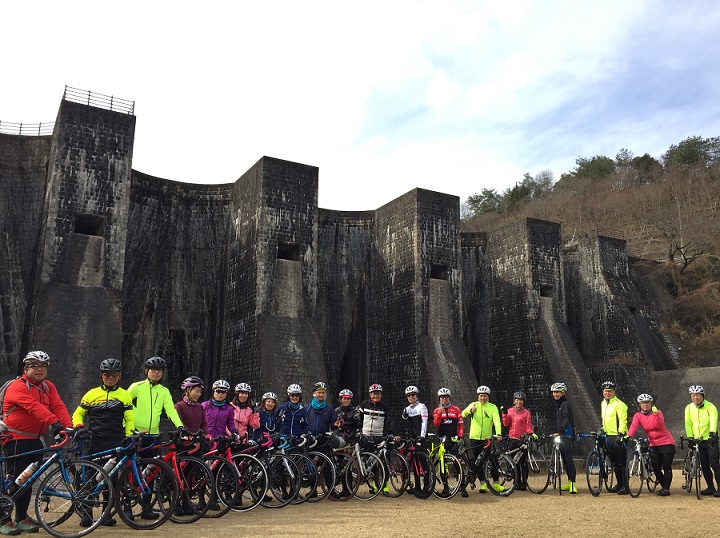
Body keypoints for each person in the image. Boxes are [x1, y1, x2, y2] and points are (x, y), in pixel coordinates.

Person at [1, 351, 72, 535]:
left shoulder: (48, 387)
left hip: (35, 440)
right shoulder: (17, 386)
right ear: (26, 369)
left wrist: (69, 427)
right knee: (15, 480)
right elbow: (33, 406)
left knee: (28, 481)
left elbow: (58, 406)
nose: (39, 369)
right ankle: (4, 519)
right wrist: (54, 423)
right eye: (34, 365)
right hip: (16, 440)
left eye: (43, 366)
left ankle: (21, 517)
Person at [72, 358, 134, 527]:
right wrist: (79, 427)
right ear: (102, 376)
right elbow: (78, 414)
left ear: (119, 376)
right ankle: (86, 515)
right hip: (93, 441)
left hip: (114, 441)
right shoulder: (91, 394)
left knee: (111, 480)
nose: (110, 378)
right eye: (107, 375)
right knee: (89, 479)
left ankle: (106, 515)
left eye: (114, 375)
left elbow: (129, 418)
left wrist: (129, 436)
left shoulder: (124, 395)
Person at [627, 393, 675, 496]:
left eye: (647, 403)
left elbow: (660, 425)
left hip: (666, 442)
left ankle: (666, 489)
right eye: (643, 403)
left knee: (666, 466)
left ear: (651, 404)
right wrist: (628, 436)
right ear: (640, 404)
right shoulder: (638, 415)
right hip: (653, 443)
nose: (645, 404)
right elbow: (634, 425)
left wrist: (656, 414)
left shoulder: (657, 412)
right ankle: (664, 486)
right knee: (656, 467)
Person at [461, 385, 502, 493]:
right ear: (478, 396)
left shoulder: (492, 407)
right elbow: (462, 414)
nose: (483, 398)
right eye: (481, 396)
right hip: (474, 438)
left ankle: (496, 483)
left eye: (485, 396)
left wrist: (498, 433)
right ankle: (483, 483)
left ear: (488, 397)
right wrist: (470, 410)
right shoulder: (474, 405)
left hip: (486, 439)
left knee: (493, 460)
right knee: (476, 462)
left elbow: (496, 421)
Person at [128, 356, 183, 434]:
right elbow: (123, 404)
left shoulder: (164, 391)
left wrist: (179, 426)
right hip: (136, 432)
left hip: (154, 433)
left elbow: (171, 411)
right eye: (153, 369)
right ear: (146, 371)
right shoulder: (136, 387)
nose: (156, 372)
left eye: (159, 370)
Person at [684, 385, 720, 496]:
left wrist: (713, 433)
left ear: (702, 395)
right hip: (698, 440)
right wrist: (690, 437)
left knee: (714, 464)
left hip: (709, 440)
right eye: (693, 395)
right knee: (704, 466)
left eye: (698, 395)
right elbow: (688, 423)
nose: (696, 397)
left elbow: (714, 420)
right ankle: (710, 487)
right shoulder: (689, 408)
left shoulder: (710, 407)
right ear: (691, 396)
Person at [432, 387, 466, 497]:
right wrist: (438, 415)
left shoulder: (456, 409)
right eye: (442, 397)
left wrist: (460, 435)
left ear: (449, 397)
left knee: (458, 462)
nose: (444, 399)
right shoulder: (437, 410)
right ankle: (446, 487)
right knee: (443, 463)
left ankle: (462, 487)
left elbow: (461, 424)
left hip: (454, 439)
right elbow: (435, 425)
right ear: (439, 399)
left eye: (446, 397)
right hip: (442, 439)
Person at [501, 391, 536, 491]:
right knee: (513, 462)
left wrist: (530, 433)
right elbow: (506, 424)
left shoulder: (526, 413)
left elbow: (528, 425)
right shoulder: (510, 411)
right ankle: (516, 482)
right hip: (512, 439)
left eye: (520, 400)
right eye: (517, 399)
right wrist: (504, 414)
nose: (519, 402)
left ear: (523, 401)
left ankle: (524, 483)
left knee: (523, 463)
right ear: (514, 401)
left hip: (522, 440)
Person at [600, 380, 629, 494]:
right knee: (614, 463)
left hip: (618, 436)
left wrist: (621, 433)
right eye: (606, 391)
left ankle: (625, 486)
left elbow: (623, 420)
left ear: (614, 392)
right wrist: (602, 430)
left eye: (610, 391)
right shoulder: (603, 403)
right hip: (608, 435)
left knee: (622, 463)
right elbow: (604, 419)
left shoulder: (620, 404)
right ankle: (619, 484)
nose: (607, 393)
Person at [551, 382, 577, 494]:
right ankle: (569, 482)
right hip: (561, 435)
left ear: (563, 393)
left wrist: (562, 429)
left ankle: (573, 484)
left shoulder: (565, 404)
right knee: (565, 460)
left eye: (557, 392)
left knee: (568, 459)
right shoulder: (559, 404)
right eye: (554, 392)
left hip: (567, 435)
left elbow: (566, 418)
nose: (555, 394)